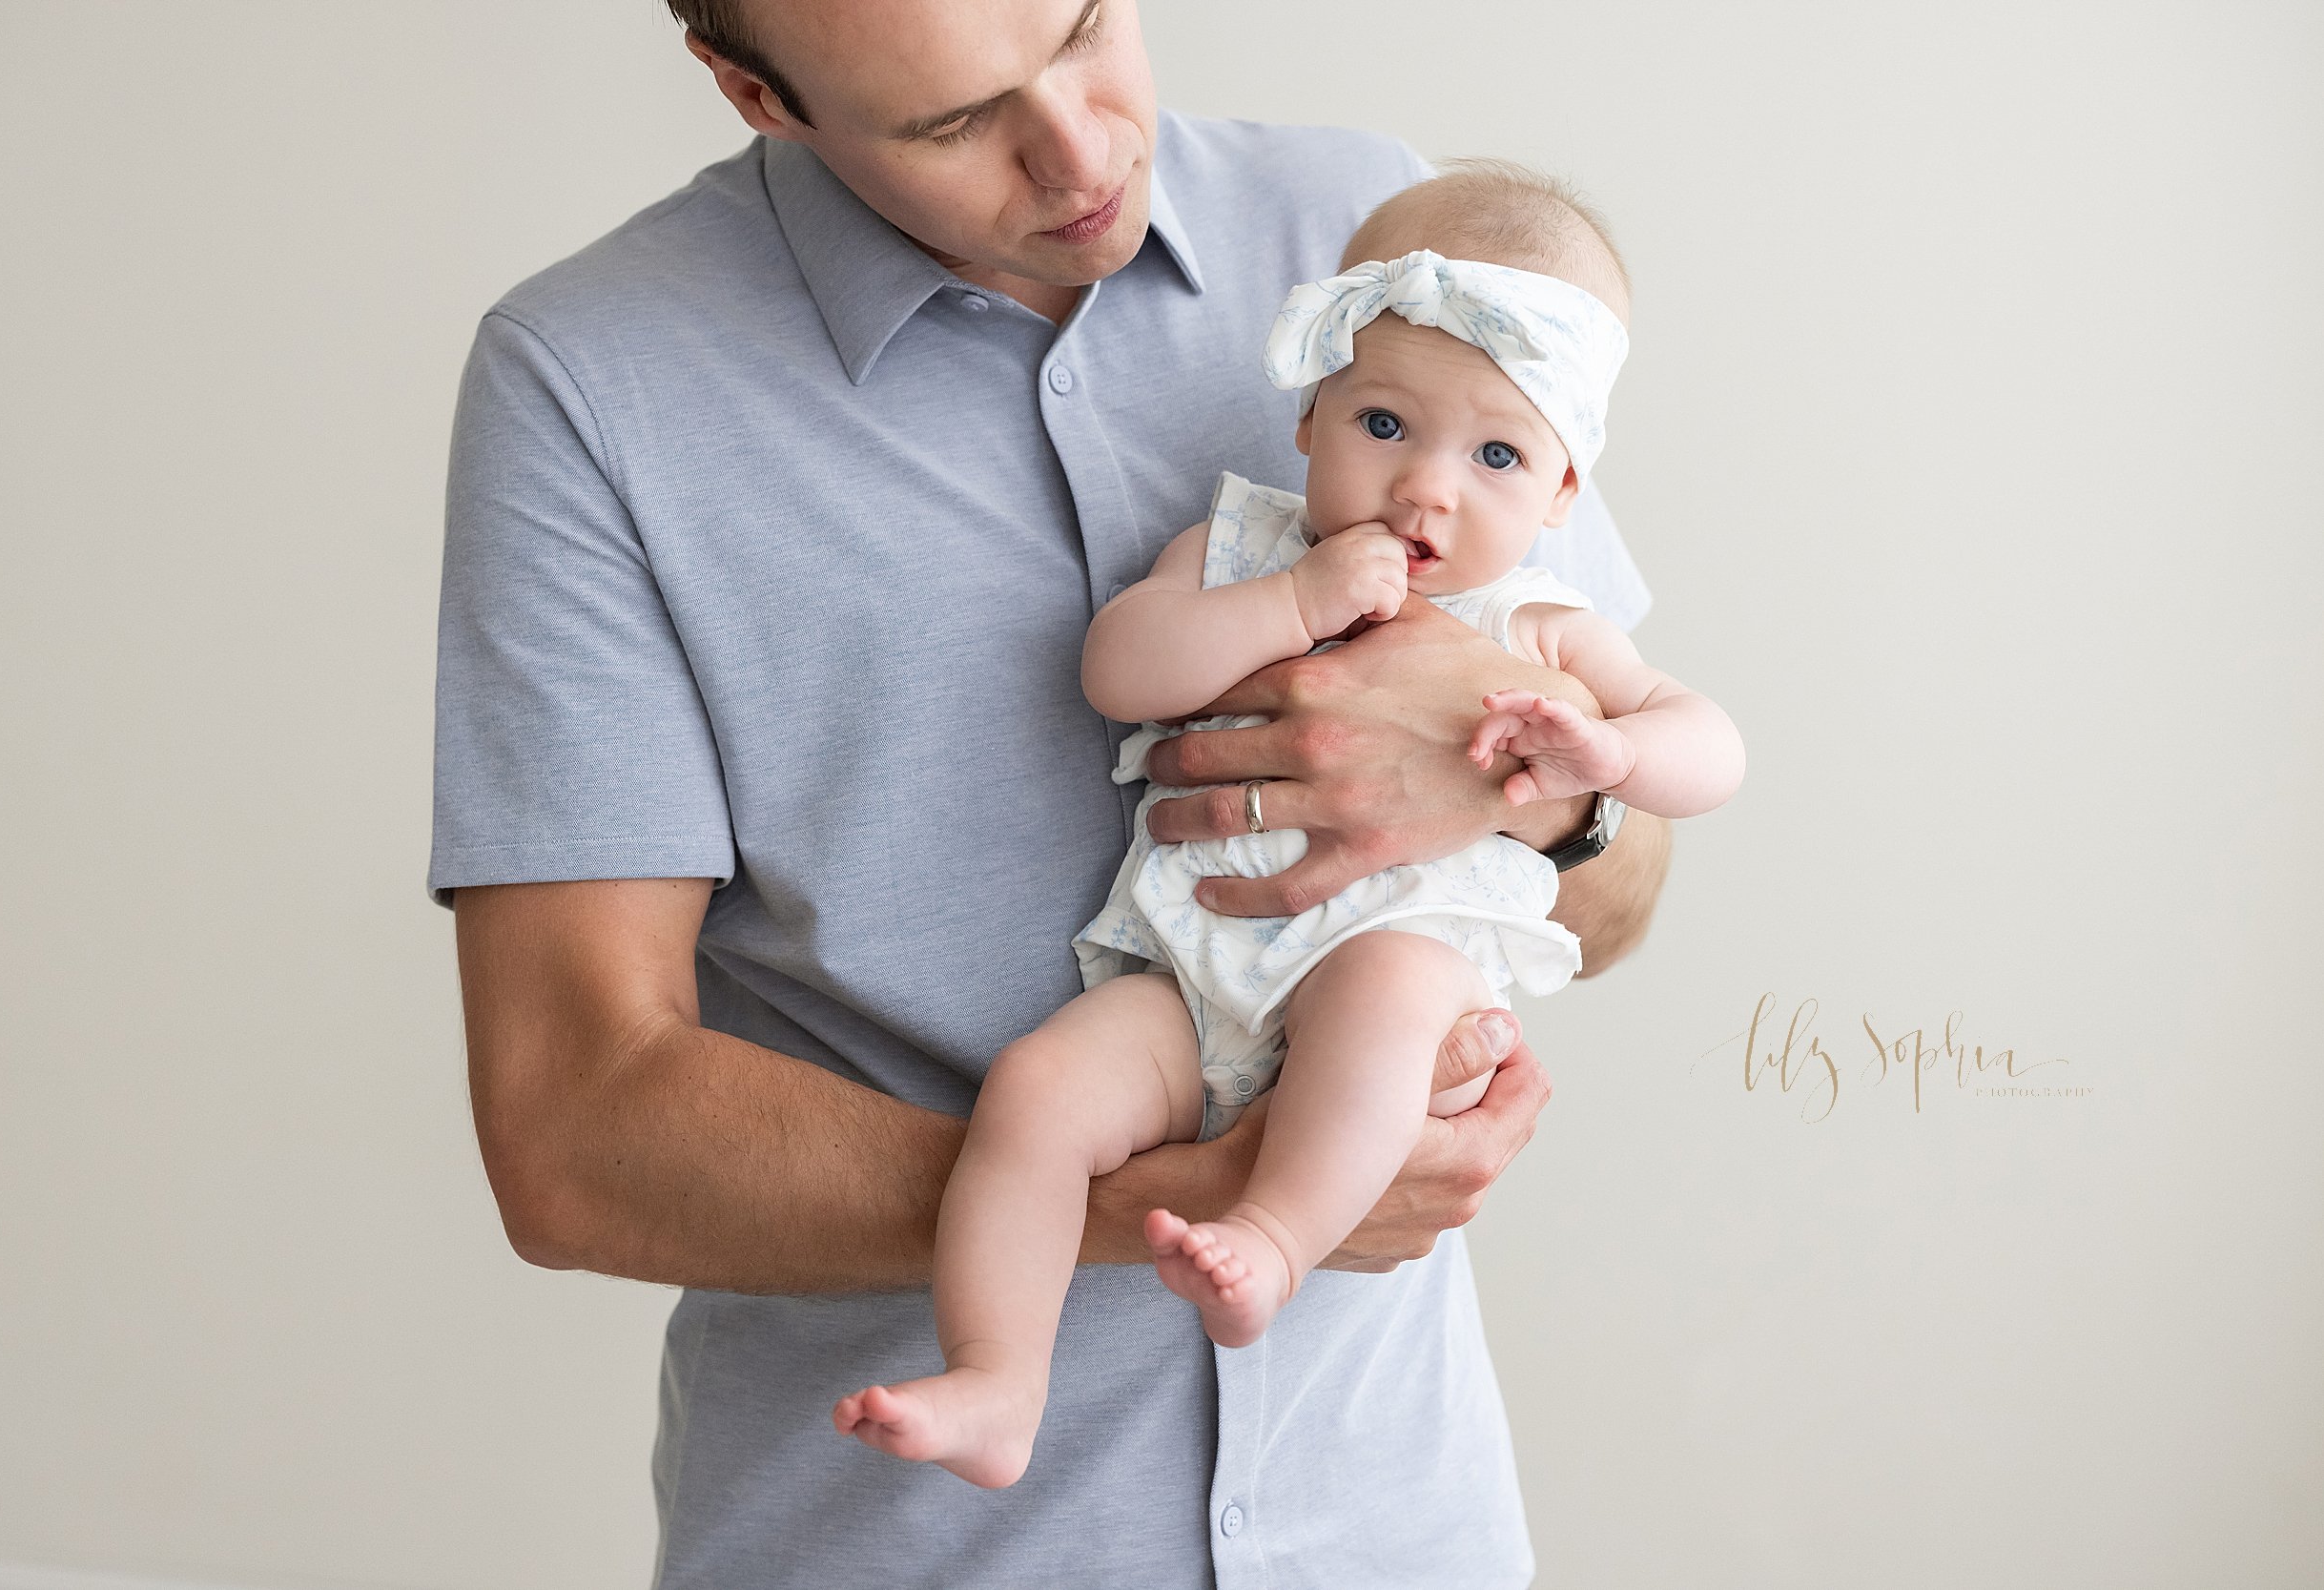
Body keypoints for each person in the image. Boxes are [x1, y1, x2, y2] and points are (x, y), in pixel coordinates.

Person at [434, 1, 1673, 1583]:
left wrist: (1534, 801)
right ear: (755, 89)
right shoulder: (592, 386)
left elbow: (1626, 880)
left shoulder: (1388, 244)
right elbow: (572, 1135)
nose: (1085, 152)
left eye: (1087, 24)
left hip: (1396, 1525)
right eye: (953, 121)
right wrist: (1173, 1198)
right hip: (920, 1548)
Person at [832, 164, 1742, 1491]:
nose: (1426, 490)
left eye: (1494, 455)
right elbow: (1121, 670)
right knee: (1033, 1094)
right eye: (1385, 421)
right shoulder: (1246, 549)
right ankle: (997, 1378)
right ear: (1311, 416)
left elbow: (1708, 743)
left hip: (1379, 972)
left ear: (1560, 495)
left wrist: (1608, 753)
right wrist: (1294, 606)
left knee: (1385, 999)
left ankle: (1270, 1234)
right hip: (1189, 975)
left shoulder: (1541, 623)